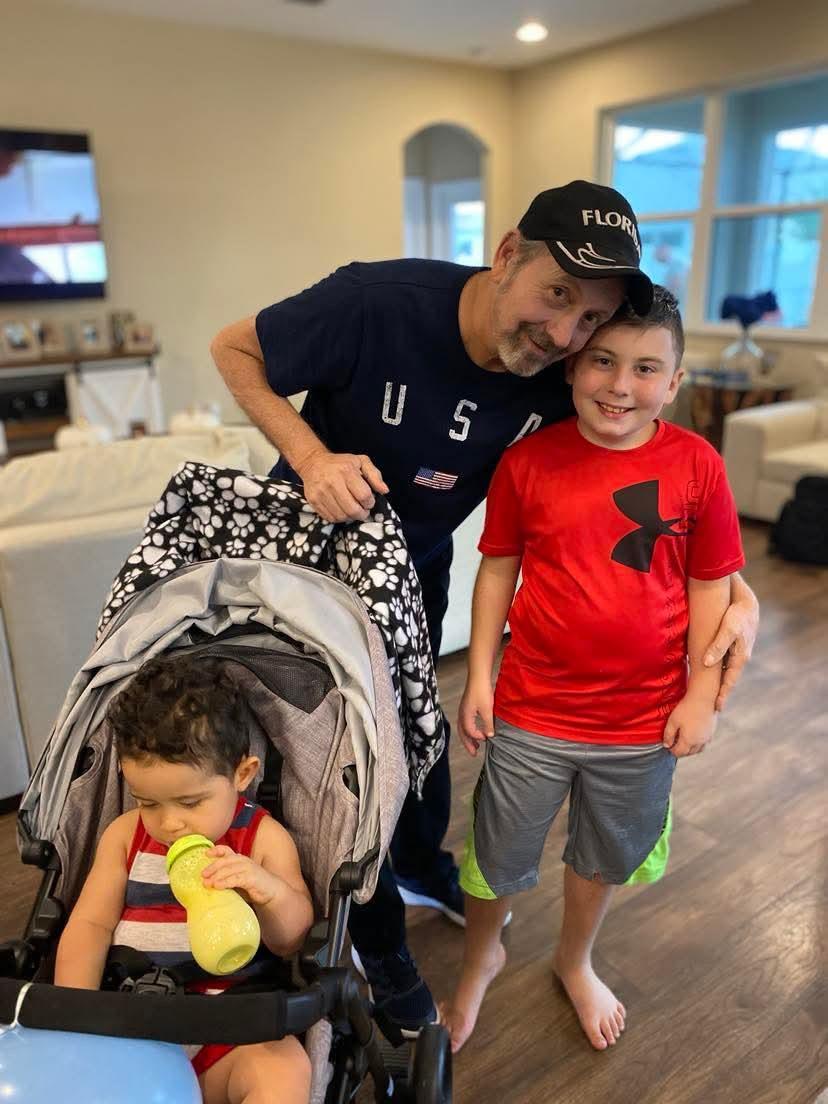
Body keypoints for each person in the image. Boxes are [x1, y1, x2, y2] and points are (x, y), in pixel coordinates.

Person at [210, 181, 759, 1035]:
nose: (564, 335)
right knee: (322, 757)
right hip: (301, 570)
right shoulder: (377, 301)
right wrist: (313, 459)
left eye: (589, 320)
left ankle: (418, 870)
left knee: (411, 742)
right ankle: (361, 938)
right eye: (557, 295)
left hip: (413, 577)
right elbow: (233, 348)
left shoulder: (565, 377)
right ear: (506, 255)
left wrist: (741, 598)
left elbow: (662, 501)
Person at [442, 287, 746, 1055]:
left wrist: (702, 696)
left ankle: (574, 960)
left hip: (642, 722)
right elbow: (497, 569)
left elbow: (710, 587)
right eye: (604, 361)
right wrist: (478, 676)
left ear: (674, 383)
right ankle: (481, 957)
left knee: (603, 854)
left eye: (645, 368)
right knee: (496, 854)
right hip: (531, 710)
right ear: (573, 366)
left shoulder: (698, 466)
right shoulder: (528, 463)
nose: (620, 385)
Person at [55, 655, 314, 1104]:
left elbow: (291, 941)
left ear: (242, 774)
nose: (170, 823)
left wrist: (267, 891)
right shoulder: (125, 836)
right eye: (148, 803)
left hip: (229, 1029)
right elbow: (90, 925)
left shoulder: (260, 839)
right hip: (133, 1024)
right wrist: (74, 1016)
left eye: (191, 803)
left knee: (284, 1068)